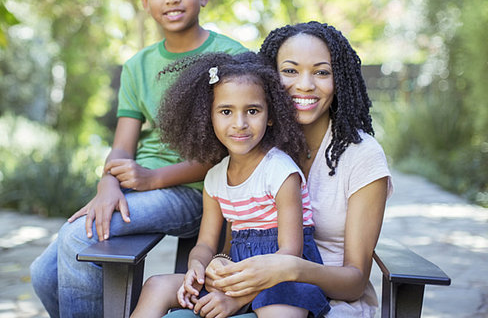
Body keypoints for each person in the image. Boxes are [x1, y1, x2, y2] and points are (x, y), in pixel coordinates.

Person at [29, 0, 247, 318]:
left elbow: (234, 150)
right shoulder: (136, 66)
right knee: (43, 273)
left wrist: (153, 178)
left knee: (79, 237)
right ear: (145, 1)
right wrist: (107, 184)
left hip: (198, 192)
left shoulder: (232, 57)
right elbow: (122, 146)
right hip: (140, 185)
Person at [165, 21, 393, 318]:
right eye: (290, 70)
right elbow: (235, 238)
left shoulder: (362, 156)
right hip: (249, 289)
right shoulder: (254, 143)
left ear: (340, 80)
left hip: (329, 304)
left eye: (322, 72)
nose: (305, 84)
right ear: (269, 80)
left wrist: (289, 268)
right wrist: (220, 263)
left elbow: (354, 282)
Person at [130, 52, 331, 318]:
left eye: (252, 111)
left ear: (270, 115)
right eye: (226, 111)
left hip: (283, 276)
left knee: (280, 311)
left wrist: (236, 299)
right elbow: (205, 245)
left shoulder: (281, 172)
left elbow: (289, 254)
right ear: (207, 117)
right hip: (236, 273)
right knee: (157, 285)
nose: (240, 123)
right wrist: (198, 268)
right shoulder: (214, 178)